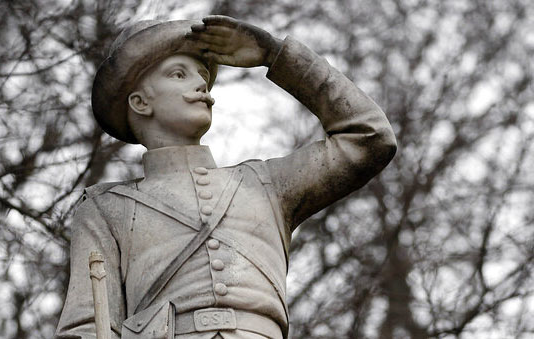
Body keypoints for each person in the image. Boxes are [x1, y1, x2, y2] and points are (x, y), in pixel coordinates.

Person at [56, 15, 396, 339]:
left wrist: (275, 55)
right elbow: (86, 325)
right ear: (141, 102)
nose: (201, 84)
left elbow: (370, 138)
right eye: (178, 74)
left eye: (203, 74)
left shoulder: (268, 185)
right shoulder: (106, 208)